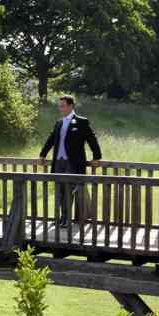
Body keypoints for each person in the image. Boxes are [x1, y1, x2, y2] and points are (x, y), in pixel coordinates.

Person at [39, 95, 102, 227]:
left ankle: (66, 219)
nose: (60, 108)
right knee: (59, 190)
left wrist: (96, 157)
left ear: (70, 106)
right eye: (59, 106)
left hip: (73, 161)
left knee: (69, 190)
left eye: (62, 105)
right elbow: (51, 140)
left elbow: (92, 139)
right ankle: (62, 217)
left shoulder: (81, 121)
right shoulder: (59, 123)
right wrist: (42, 155)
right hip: (58, 161)